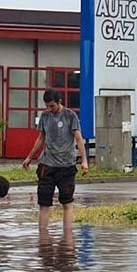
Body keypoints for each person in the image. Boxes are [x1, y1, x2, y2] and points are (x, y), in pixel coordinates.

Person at [22, 90, 90, 232]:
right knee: (44, 202)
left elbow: (78, 138)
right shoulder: (45, 116)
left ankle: (68, 236)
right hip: (47, 165)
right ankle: (42, 235)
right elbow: (41, 138)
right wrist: (29, 157)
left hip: (66, 166)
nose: (49, 109)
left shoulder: (70, 116)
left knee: (67, 202)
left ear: (59, 102)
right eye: (47, 106)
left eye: (52, 106)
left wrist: (84, 161)